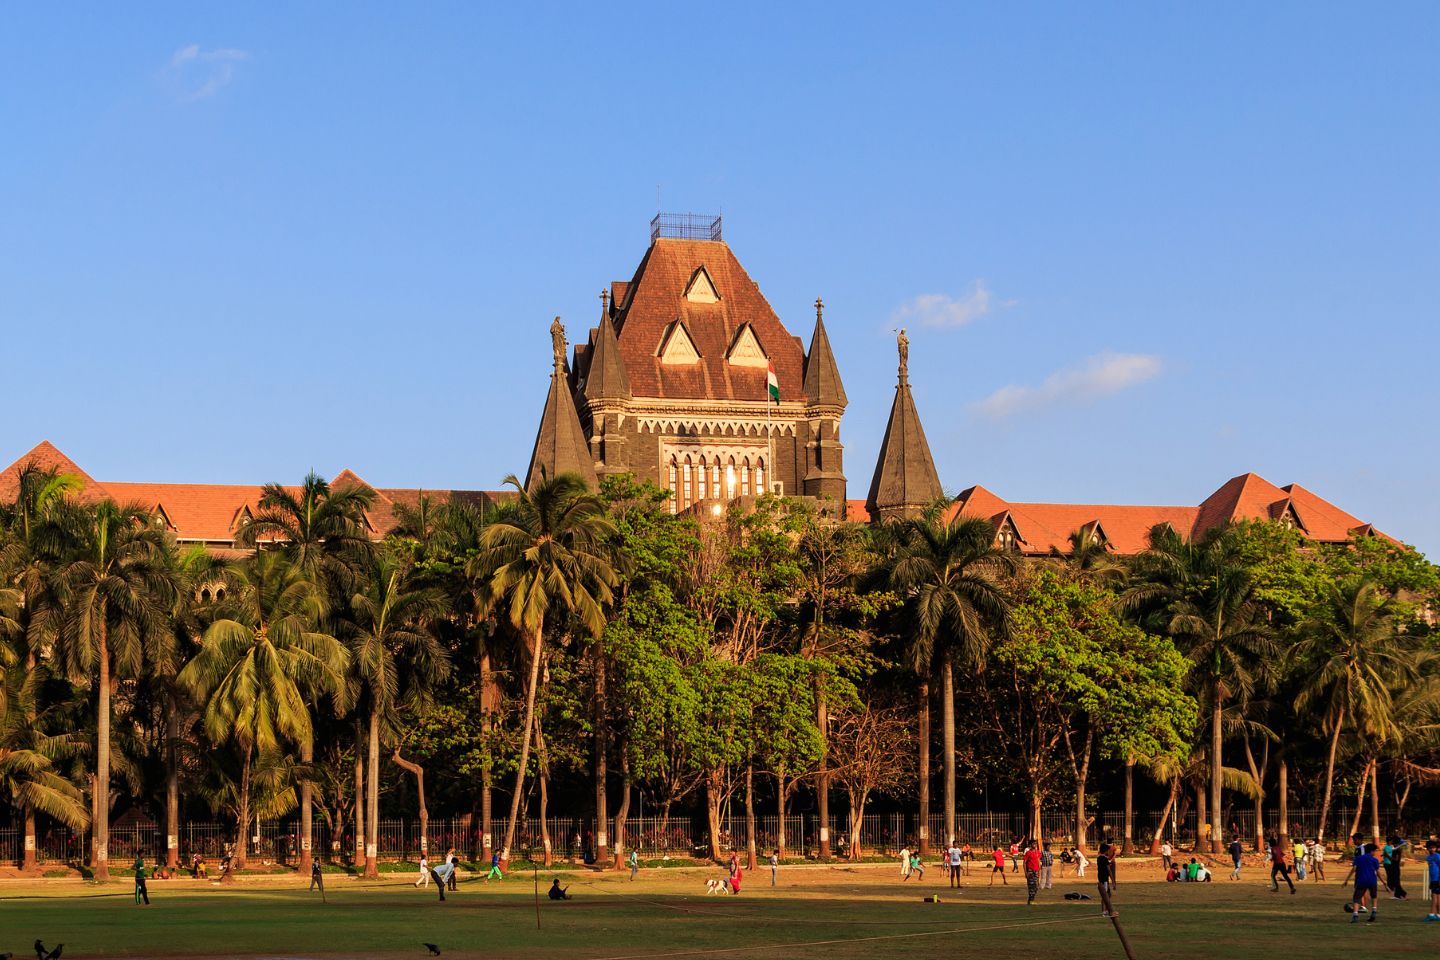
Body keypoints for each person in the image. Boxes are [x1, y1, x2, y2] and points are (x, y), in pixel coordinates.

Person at [1349, 843, 1382, 923]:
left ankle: (1355, 915)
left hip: (1362, 880)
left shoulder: (1359, 858)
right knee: (1374, 896)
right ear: (1371, 851)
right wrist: (1384, 882)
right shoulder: (1374, 860)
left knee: (1356, 898)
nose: (1375, 853)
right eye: (1375, 851)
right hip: (1372, 880)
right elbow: (1378, 872)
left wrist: (1347, 880)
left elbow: (1354, 869)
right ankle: (1374, 912)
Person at [1383, 836, 1409, 900]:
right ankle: (1397, 895)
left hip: (1395, 868)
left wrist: (1387, 856)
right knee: (1396, 882)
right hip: (1394, 867)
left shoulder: (1397, 850)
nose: (1392, 843)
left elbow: (1396, 859)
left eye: (1393, 842)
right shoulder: (1395, 849)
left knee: (1396, 883)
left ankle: (1403, 893)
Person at [1096, 843, 1116, 917]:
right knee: (1105, 895)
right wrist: (1113, 881)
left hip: (1101, 877)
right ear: (1106, 851)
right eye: (1108, 850)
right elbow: (1109, 870)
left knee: (1108, 894)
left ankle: (1107, 910)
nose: (1109, 852)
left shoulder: (1099, 858)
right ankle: (1104, 911)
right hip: (1104, 878)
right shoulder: (1104, 858)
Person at [1424, 840, 1440, 922]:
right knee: (1437, 897)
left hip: (1437, 880)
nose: (1432, 849)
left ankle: (1431, 914)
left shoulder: (1437, 856)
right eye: (1430, 848)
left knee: (1434, 897)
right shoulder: (1429, 857)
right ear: (1427, 848)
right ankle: (1438, 915)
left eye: (1434, 848)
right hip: (1433, 880)